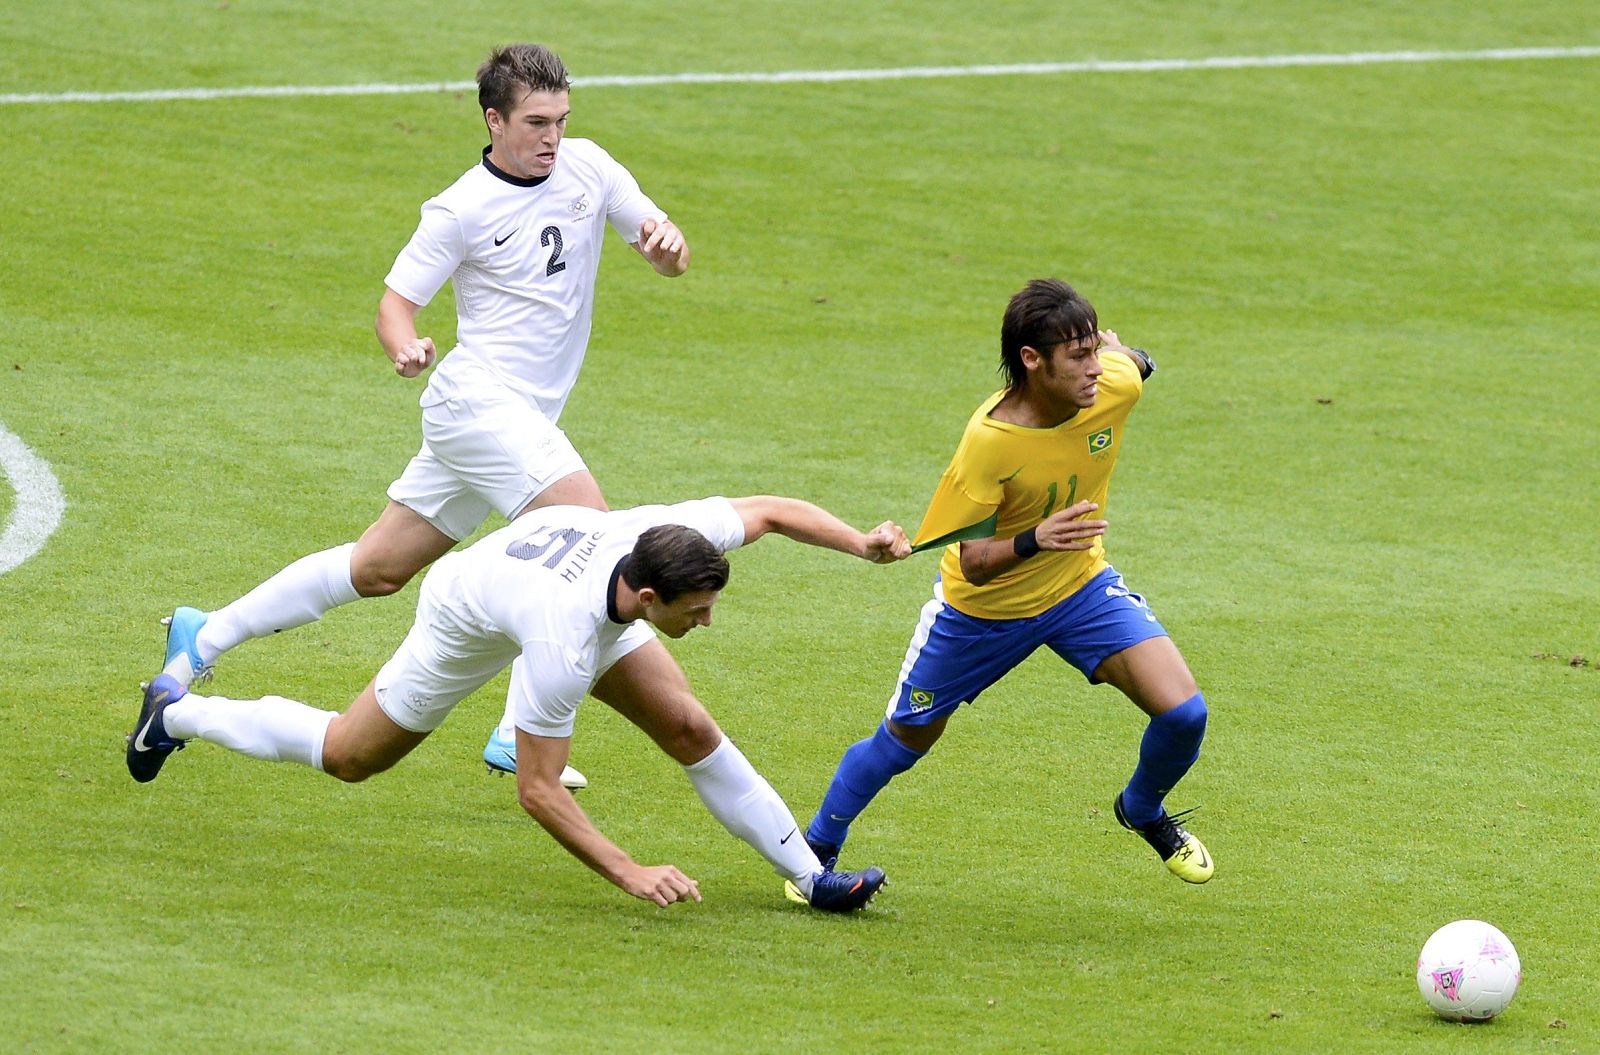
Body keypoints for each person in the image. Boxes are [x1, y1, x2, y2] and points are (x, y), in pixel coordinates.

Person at [156, 43, 691, 788]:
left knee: (377, 567)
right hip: (476, 403)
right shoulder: (459, 208)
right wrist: (406, 349)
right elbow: (394, 306)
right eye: (537, 122)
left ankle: (204, 633)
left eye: (562, 121)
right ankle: (517, 729)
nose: (552, 138)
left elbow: (664, 249)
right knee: (588, 532)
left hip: (518, 422)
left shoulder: (591, 168)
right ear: (494, 119)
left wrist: (667, 249)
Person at [129, 495, 910, 910]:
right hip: (467, 613)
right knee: (349, 754)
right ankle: (176, 713)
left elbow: (770, 511)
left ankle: (812, 879)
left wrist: (859, 544)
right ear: (648, 594)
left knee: (687, 722)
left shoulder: (662, 539)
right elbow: (538, 789)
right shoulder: (565, 644)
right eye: (697, 610)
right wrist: (627, 869)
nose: (707, 621)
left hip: (550, 578)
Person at [799, 279, 1214, 885]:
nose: (1096, 370)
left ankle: (1142, 809)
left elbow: (1134, 364)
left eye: (1095, 350)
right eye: (1078, 357)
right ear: (1031, 360)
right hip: (981, 613)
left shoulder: (1110, 386)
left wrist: (1129, 356)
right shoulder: (989, 444)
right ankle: (812, 856)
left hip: (1078, 586)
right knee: (903, 743)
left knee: (1184, 715)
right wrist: (1034, 538)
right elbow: (970, 560)